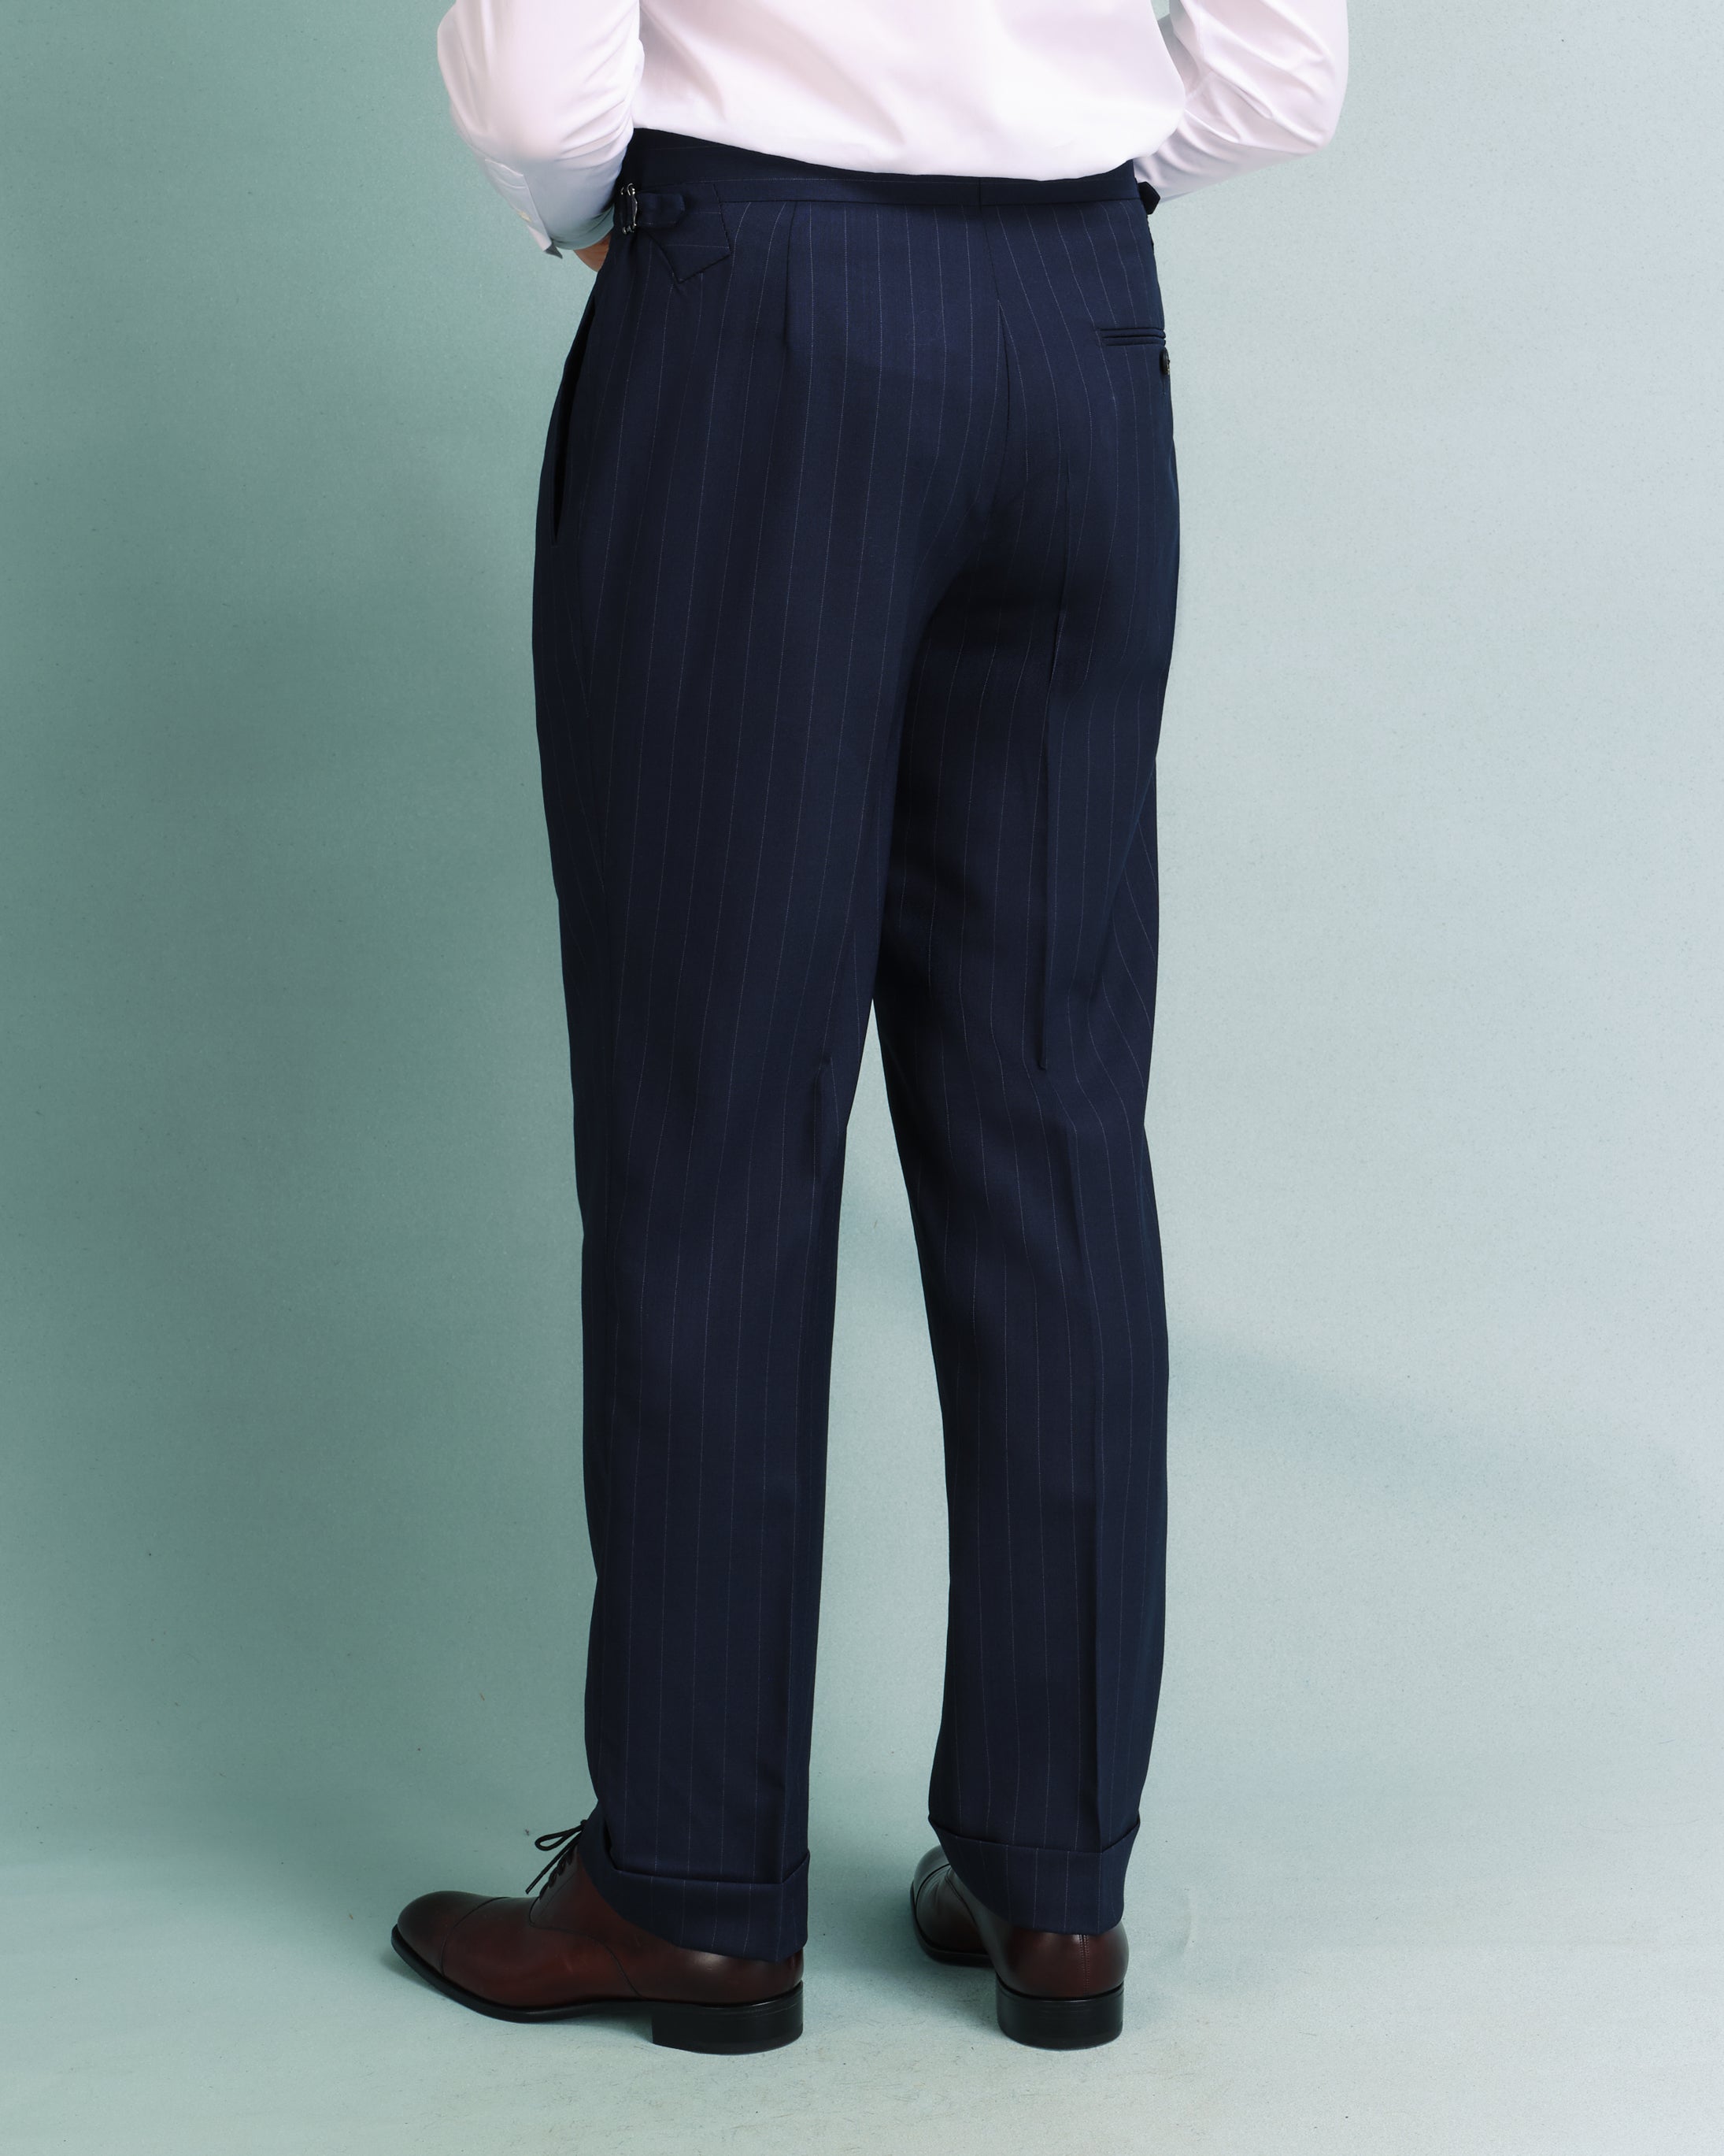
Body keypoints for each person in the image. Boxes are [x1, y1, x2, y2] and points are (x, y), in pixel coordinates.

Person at [393, 0, 1347, 2054]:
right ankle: (1055, 1873)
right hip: (1079, 327)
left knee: (715, 1118)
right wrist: (1030, 193)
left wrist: (624, 215)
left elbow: (539, 84)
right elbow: (1286, 80)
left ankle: (693, 1887)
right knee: (1049, 1114)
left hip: (761, 314)